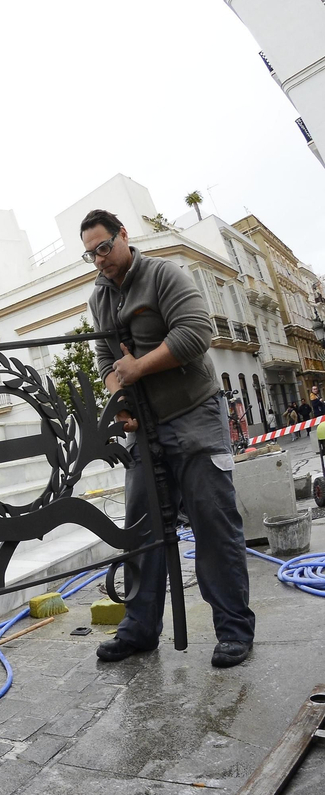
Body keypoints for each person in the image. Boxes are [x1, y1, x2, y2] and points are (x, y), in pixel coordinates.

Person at [82, 209, 256, 668]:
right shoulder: (99, 298)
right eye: (90, 254)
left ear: (123, 234)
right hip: (145, 426)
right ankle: (139, 631)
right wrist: (120, 402)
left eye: (104, 247)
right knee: (141, 529)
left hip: (194, 413)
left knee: (213, 523)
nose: (99, 259)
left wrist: (138, 367)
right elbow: (105, 360)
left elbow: (197, 332)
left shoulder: (164, 274)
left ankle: (234, 631)